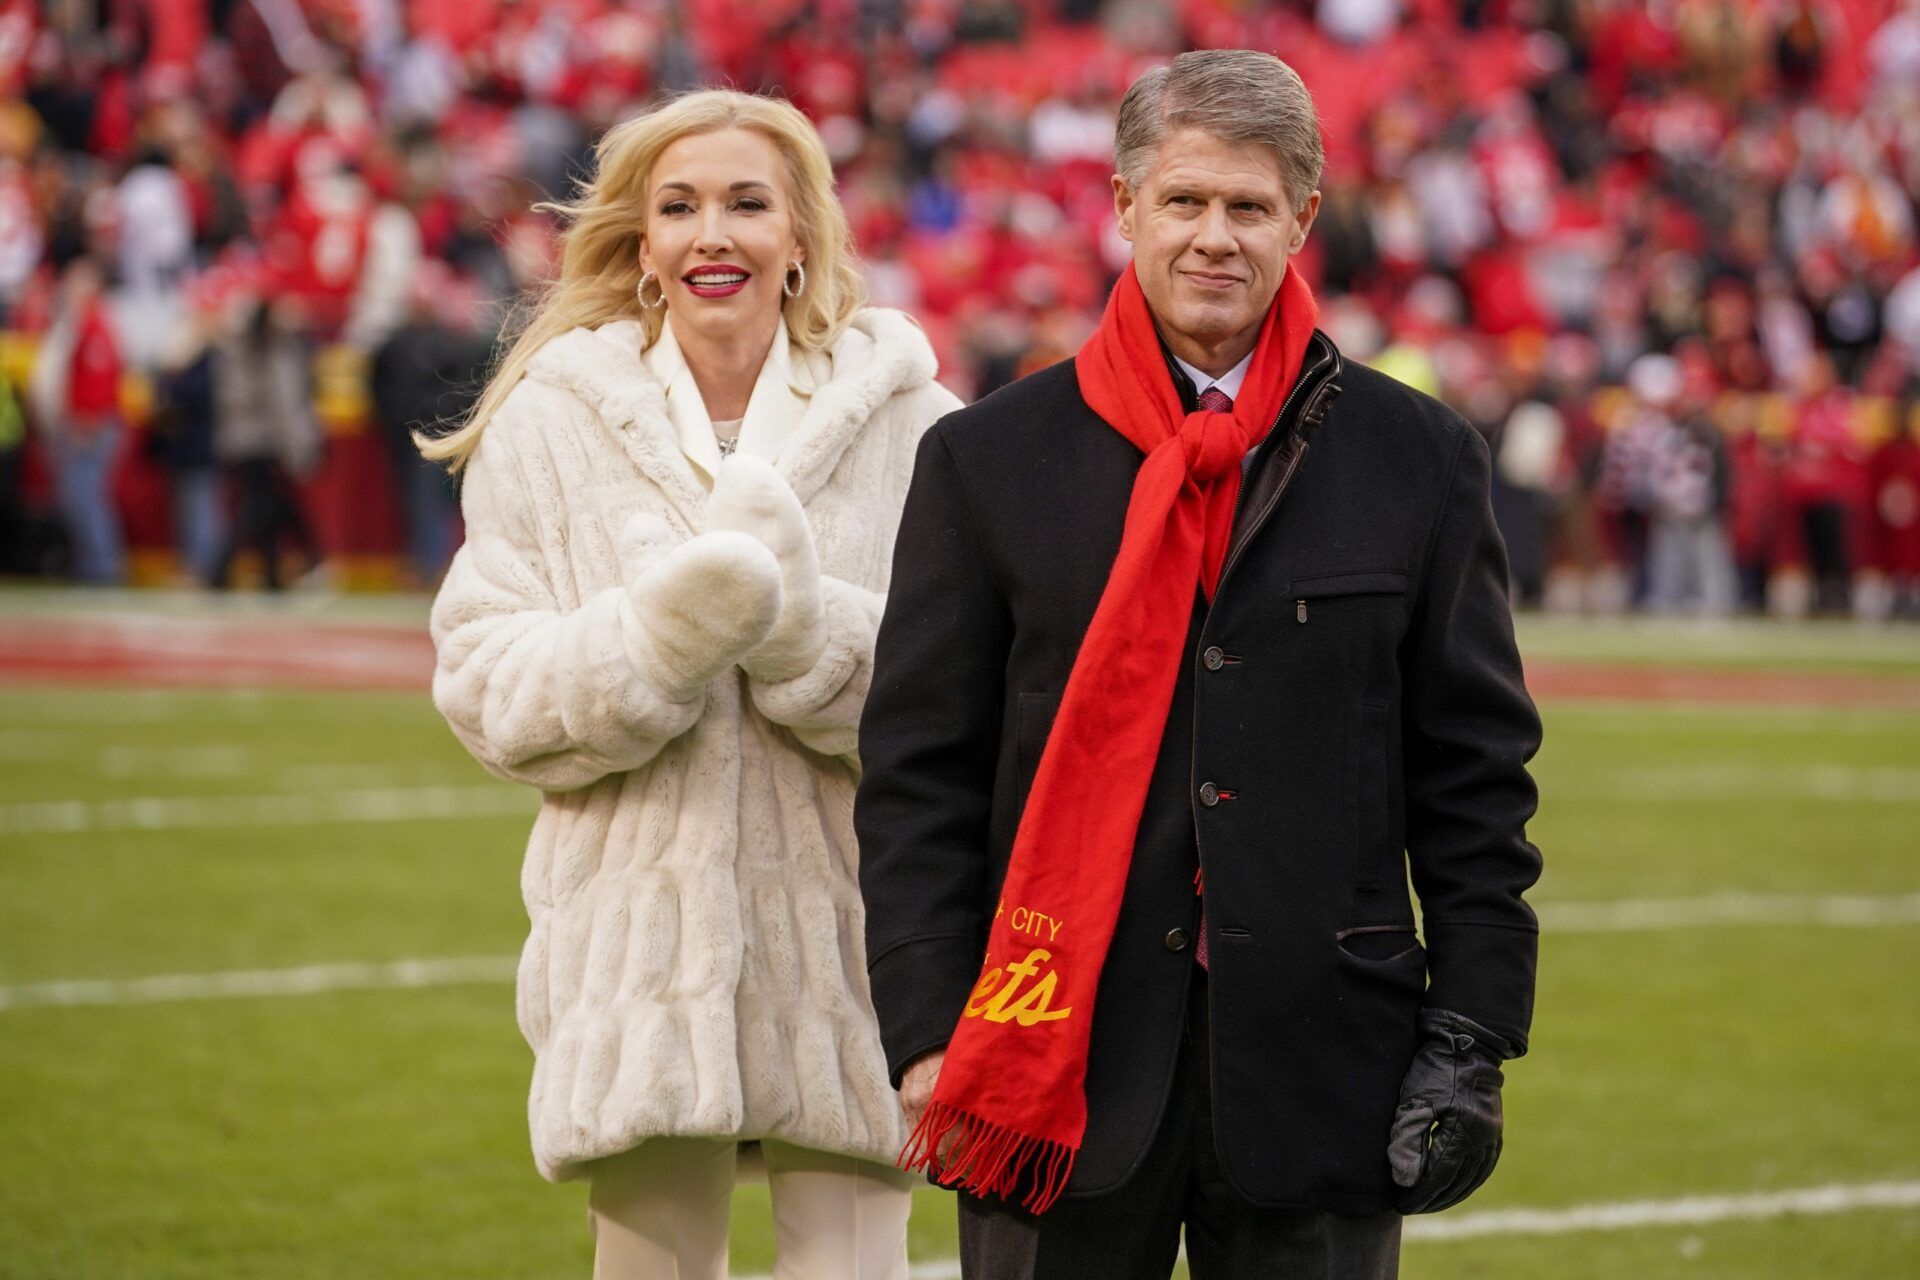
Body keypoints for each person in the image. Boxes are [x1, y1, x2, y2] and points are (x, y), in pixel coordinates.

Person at [856, 50, 1543, 1280]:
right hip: (1047, 1062)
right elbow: (919, 774)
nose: (1214, 237)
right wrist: (924, 1030)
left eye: (1248, 206)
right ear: (1124, 208)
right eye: (1184, 201)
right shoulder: (986, 458)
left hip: (1328, 1068)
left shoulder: (1421, 455)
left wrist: (1475, 1030)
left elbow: (1476, 772)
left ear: (1303, 221)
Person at [422, 89, 961, 1280]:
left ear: (802, 234)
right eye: (679, 207)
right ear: (641, 243)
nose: (712, 233)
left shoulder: (920, 425)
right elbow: (486, 686)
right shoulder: (551, 423)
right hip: (634, 957)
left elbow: (973, 697)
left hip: (864, 944)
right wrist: (657, 644)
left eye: (746, 203)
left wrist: (801, 637)